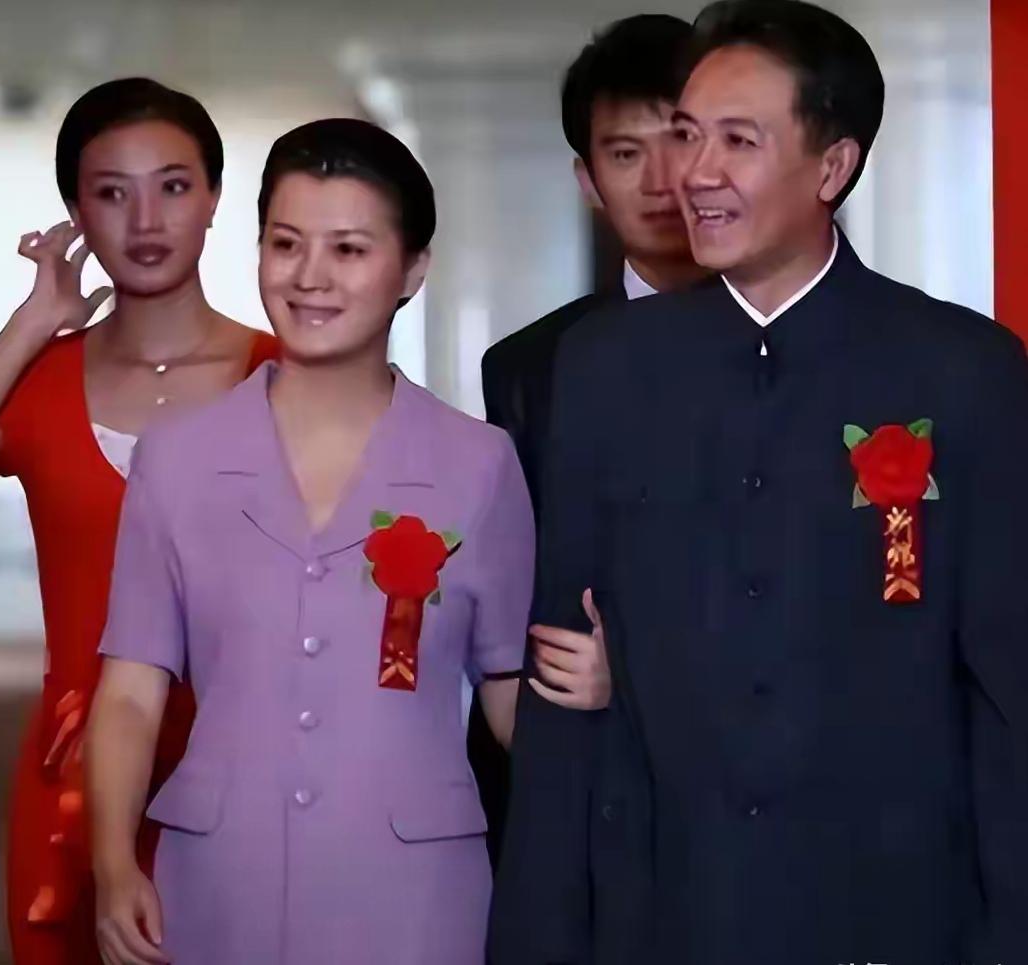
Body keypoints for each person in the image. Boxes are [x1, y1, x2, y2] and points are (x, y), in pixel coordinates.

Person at [490, 3, 1028, 964]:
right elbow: (562, 676)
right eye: (687, 135)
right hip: (666, 902)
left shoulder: (963, 370)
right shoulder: (606, 367)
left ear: (833, 166)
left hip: (890, 907)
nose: (693, 173)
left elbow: (1002, 693)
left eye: (738, 140)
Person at [87, 118, 532, 965]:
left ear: (413, 269)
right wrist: (113, 865)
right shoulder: (177, 461)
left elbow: (508, 694)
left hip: (414, 890)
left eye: (349, 250)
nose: (310, 276)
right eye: (285, 243)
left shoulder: (479, 464)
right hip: (217, 877)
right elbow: (132, 690)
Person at [0, 77, 277, 964]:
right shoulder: (41, 380)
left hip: (249, 773)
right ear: (77, 214)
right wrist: (33, 321)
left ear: (214, 197)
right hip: (69, 781)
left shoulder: (284, 374)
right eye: (112, 192)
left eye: (173, 186)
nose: (145, 220)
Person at [471, 13, 705, 866]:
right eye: (626, 153)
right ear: (588, 180)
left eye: (682, 141)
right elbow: (521, 594)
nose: (663, 180)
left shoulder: (805, 342)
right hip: (582, 778)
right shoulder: (528, 367)